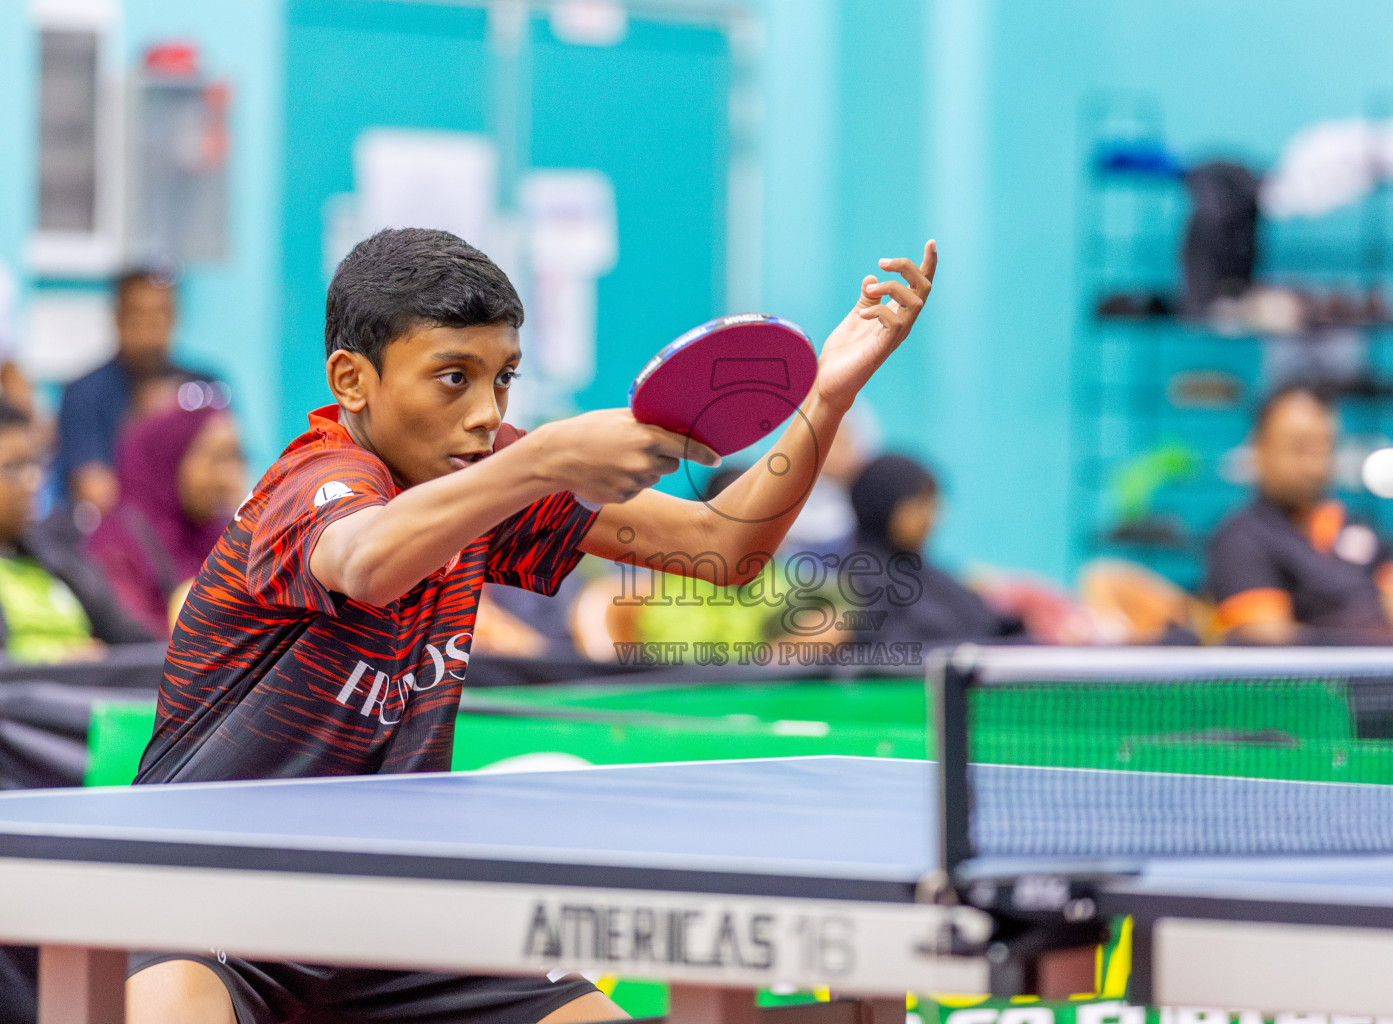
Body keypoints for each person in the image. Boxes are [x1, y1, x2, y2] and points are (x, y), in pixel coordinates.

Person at [127, 226, 936, 1023]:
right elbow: (367, 561)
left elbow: (721, 547)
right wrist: (541, 458)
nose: (485, 412)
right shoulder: (315, 481)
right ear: (352, 379)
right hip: (209, 891)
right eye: (454, 377)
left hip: (386, 913)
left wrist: (827, 395)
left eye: (504, 379)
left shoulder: (488, 479)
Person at [1204, 384, 1393, 645]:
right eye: (1298, 448)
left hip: (1392, 682)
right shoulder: (1240, 541)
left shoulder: (1358, 526)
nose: (1313, 466)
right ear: (1260, 449)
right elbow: (1270, 648)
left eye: (1323, 448)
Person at [84, 393, 248, 640]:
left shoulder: (224, 535)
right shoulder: (119, 546)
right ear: (169, 459)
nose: (229, 478)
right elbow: (137, 641)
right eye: (217, 459)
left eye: (236, 458)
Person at [55, 268, 216, 515]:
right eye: (139, 315)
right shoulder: (84, 392)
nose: (150, 326)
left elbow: (228, 482)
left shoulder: (205, 387)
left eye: (161, 314)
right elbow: (95, 491)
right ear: (118, 318)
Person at [0, 400, 152, 661]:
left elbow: (130, 638)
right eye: (12, 468)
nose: (32, 481)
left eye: (34, 464)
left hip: (92, 691)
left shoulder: (55, 552)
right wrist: (58, 662)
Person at [844, 453, 1022, 648]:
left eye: (931, 504)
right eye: (917, 504)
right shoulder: (858, 579)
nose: (929, 517)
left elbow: (991, 625)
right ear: (883, 503)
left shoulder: (927, 574)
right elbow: (893, 649)